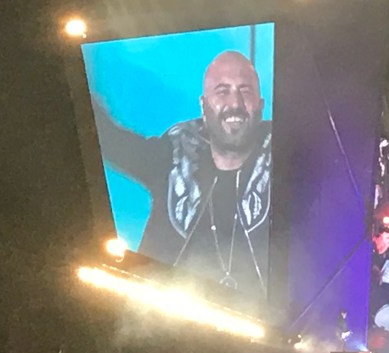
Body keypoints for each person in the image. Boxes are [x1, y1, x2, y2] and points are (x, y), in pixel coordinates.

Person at [92, 51, 272, 294]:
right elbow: (108, 139)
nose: (235, 104)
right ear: (203, 105)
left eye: (245, 91)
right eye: (222, 91)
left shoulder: (286, 162)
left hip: (256, 314)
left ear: (261, 105)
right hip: (160, 310)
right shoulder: (172, 155)